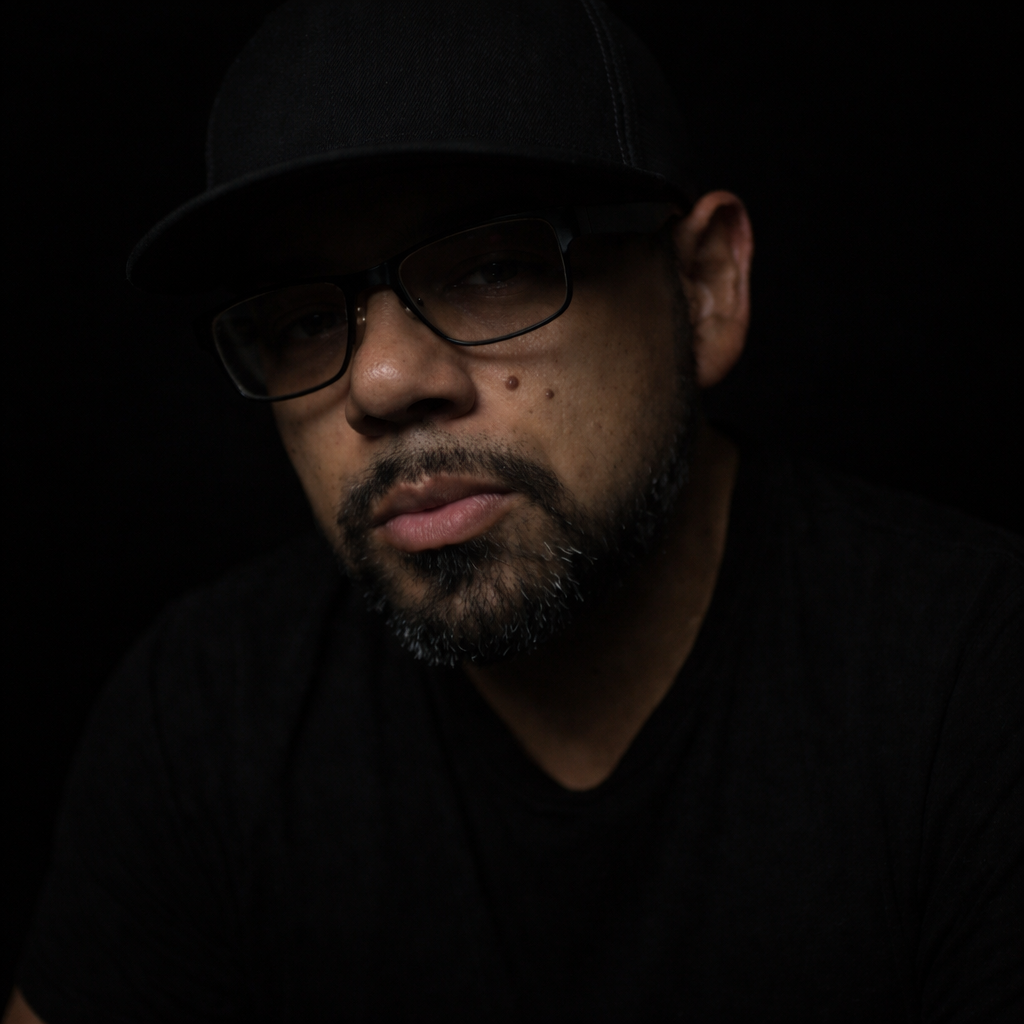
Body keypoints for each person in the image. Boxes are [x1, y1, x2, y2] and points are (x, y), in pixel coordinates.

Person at [7, 1, 1021, 1021]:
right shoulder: (203, 715)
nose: (384, 379)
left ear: (704, 286)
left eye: (492, 264)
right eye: (304, 319)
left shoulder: (971, 678)